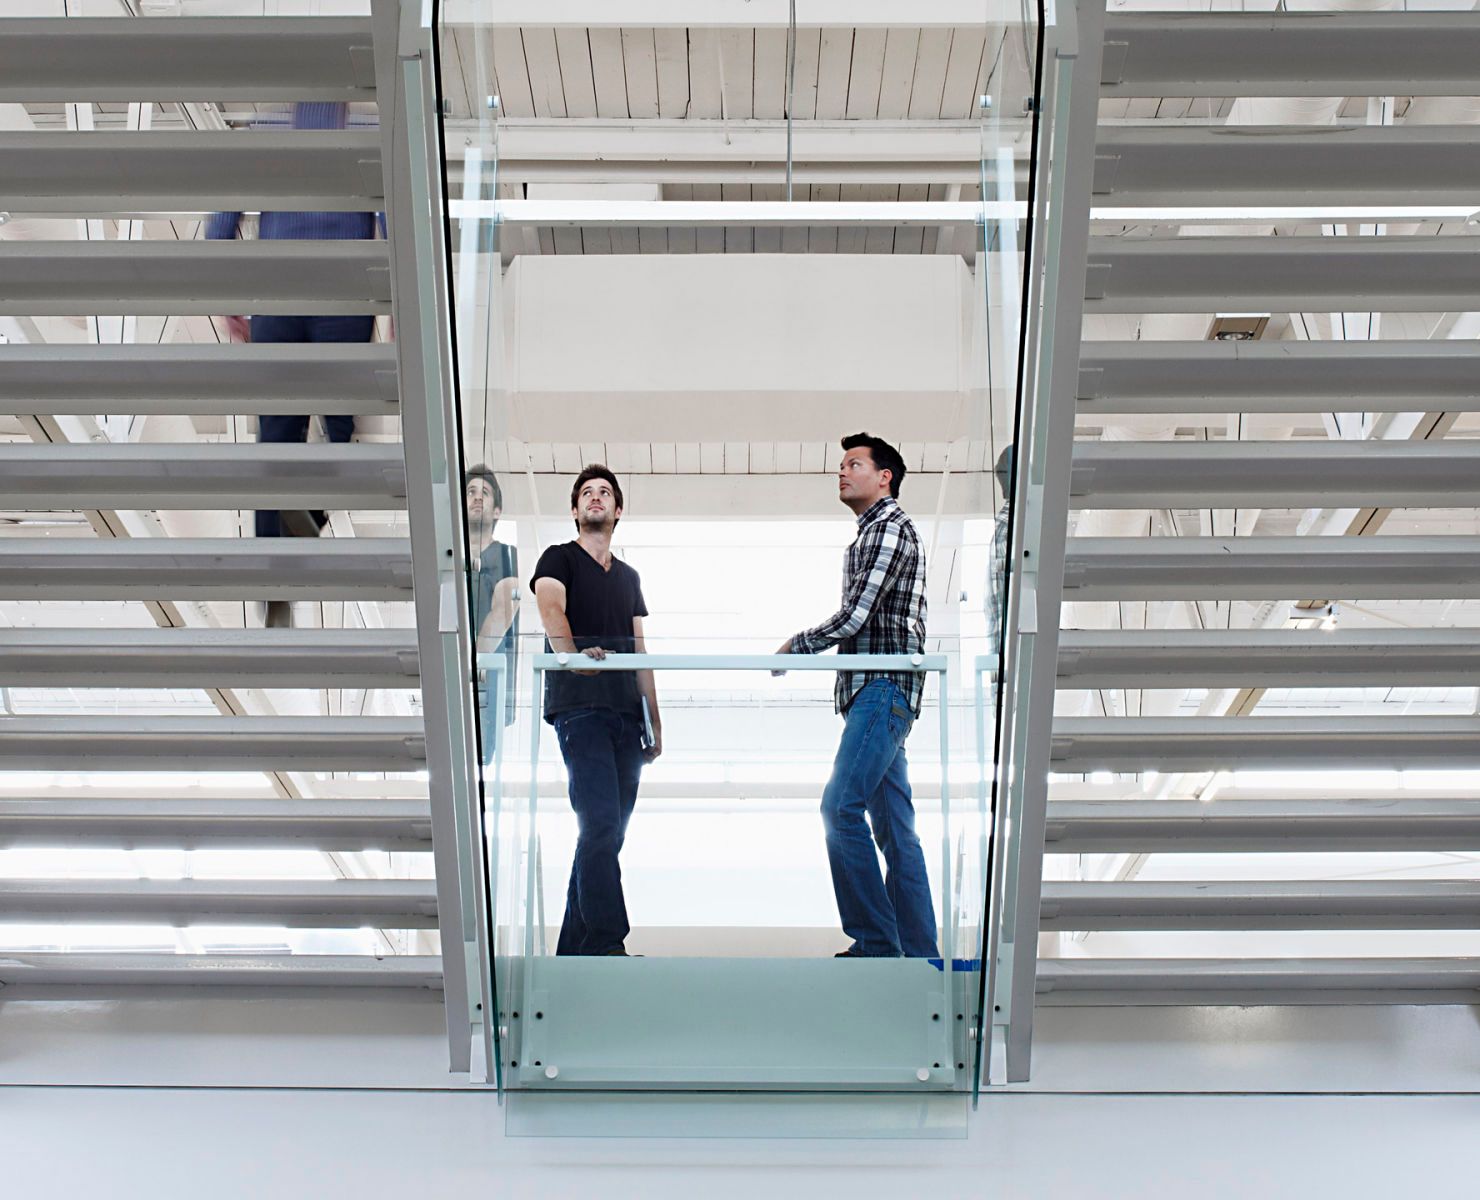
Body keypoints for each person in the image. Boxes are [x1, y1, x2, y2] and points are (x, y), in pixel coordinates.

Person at [205, 102, 385, 628]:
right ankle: (290, 549)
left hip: (290, 296)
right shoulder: (355, 125)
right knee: (327, 429)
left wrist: (223, 286)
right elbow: (389, 213)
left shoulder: (273, 125)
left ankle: (279, 567)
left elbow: (226, 213)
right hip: (330, 296)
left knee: (287, 440)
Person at [775, 433, 939, 959]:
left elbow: (857, 616)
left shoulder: (889, 529)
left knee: (839, 807)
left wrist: (796, 648)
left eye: (853, 464)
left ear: (884, 476)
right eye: (841, 466)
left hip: (881, 690)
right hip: (879, 695)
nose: (842, 473)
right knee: (896, 832)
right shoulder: (872, 533)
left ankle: (876, 942)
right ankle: (919, 956)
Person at [531, 465, 662, 957]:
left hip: (627, 718)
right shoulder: (559, 557)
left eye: (605, 493)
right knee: (601, 824)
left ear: (618, 510)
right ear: (575, 509)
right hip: (580, 710)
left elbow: (639, 648)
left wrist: (654, 717)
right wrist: (572, 658)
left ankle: (572, 951)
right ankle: (607, 943)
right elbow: (550, 608)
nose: (596, 498)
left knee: (604, 835)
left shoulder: (628, 577)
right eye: (587, 493)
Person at [466, 466, 519, 756]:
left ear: (497, 511)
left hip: (488, 689)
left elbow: (505, 607)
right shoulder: (449, 558)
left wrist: (470, 662)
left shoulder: (505, 555)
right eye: (470, 492)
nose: (476, 498)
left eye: (484, 493)